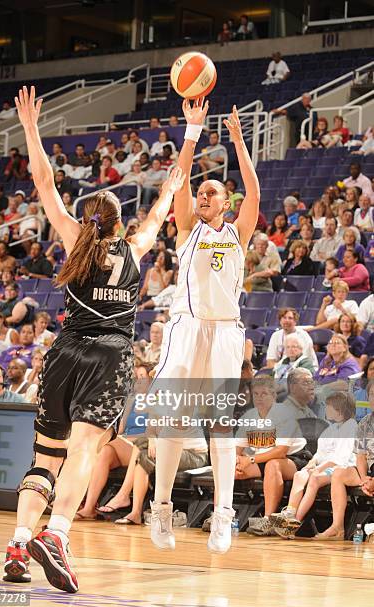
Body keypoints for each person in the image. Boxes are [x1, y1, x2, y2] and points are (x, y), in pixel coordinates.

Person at [2, 86, 185, 593]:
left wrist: (31, 128)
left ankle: (20, 540)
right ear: (119, 224)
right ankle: (57, 534)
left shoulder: (71, 239)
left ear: (88, 221)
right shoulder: (136, 249)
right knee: (85, 449)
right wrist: (170, 188)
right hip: (107, 355)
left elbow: (42, 181)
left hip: (64, 353)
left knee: (44, 458)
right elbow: (157, 217)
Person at [148, 99, 260, 555]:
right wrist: (193, 131)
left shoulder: (237, 232)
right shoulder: (188, 229)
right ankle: (160, 509)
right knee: (174, 420)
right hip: (187, 328)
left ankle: (223, 516)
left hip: (226, 332)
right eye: (201, 192)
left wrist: (237, 141)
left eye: (212, 192)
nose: (203, 196)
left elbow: (254, 193)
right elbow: (181, 178)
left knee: (221, 427)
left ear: (226, 202)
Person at [271, 391, 357, 539]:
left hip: (341, 468)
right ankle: (289, 513)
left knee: (315, 479)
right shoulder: (331, 428)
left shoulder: (351, 426)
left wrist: (318, 469)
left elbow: (340, 458)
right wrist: (310, 464)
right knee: (300, 475)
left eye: (329, 406)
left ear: (339, 409)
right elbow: (320, 454)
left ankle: (294, 523)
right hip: (324, 466)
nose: (326, 409)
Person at [235, 376, 309, 536]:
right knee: (229, 469)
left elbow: (281, 451)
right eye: (256, 394)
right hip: (262, 458)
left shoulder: (285, 414)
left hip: (294, 459)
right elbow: (236, 449)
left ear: (274, 396)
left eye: (264, 394)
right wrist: (236, 461)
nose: (259, 398)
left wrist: (249, 460)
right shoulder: (249, 416)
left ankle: (268, 520)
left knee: (273, 465)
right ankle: (222, 513)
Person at [315, 380, 374, 540]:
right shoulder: (365, 423)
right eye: (371, 395)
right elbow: (360, 455)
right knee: (339, 474)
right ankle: (337, 528)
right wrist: (363, 480)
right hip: (367, 471)